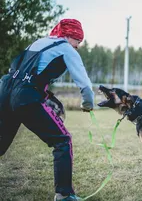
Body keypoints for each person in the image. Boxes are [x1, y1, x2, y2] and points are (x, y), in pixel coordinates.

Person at [0, 19, 94, 200]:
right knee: (63, 140)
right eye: (78, 41)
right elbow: (86, 86)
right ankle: (64, 195)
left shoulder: (38, 42)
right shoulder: (66, 48)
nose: (78, 46)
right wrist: (87, 104)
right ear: (69, 36)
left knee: (1, 144)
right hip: (24, 97)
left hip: (4, 91)